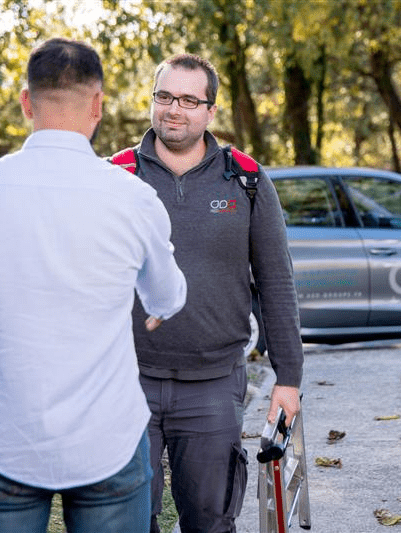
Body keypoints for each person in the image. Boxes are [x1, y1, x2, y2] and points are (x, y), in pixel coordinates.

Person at [0, 37, 186, 532]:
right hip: (108, 437)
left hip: (1, 439)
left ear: (27, 102)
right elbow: (168, 295)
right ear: (98, 105)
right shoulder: (133, 198)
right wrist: (156, 303)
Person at [110, 53, 304, 533]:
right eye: (164, 96)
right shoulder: (115, 177)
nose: (174, 109)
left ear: (210, 111)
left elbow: (276, 281)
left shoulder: (245, 179)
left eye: (189, 100)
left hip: (214, 386)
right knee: (126, 521)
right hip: (125, 383)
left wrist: (289, 377)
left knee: (212, 522)